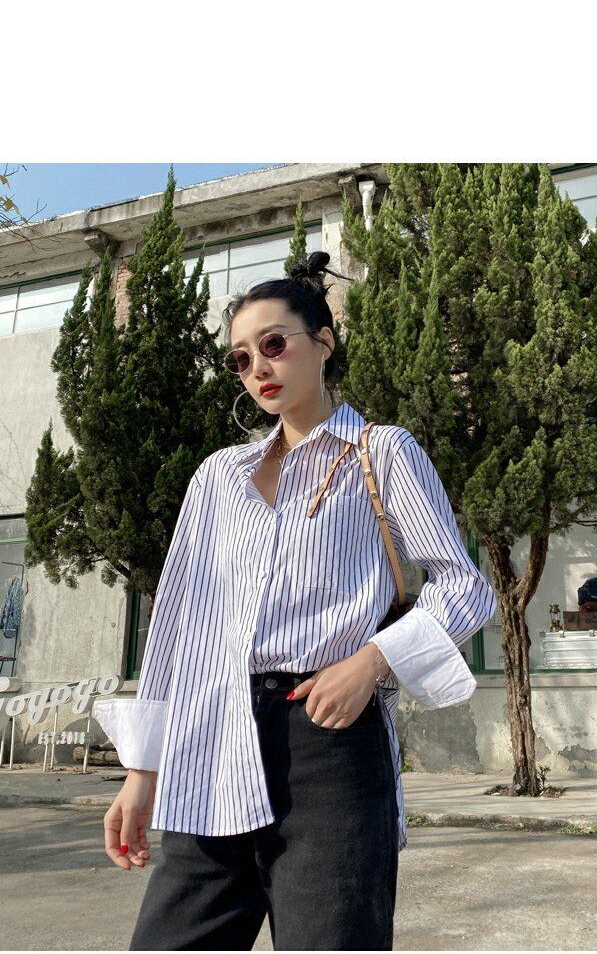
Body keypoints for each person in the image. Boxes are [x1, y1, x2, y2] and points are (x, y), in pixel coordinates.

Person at [92, 250, 497, 950]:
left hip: (327, 740)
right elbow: (177, 628)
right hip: (210, 737)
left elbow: (465, 586)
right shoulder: (219, 476)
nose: (259, 368)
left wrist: (372, 661)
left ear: (324, 341)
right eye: (241, 358)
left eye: (274, 344)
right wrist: (142, 769)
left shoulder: (382, 452)